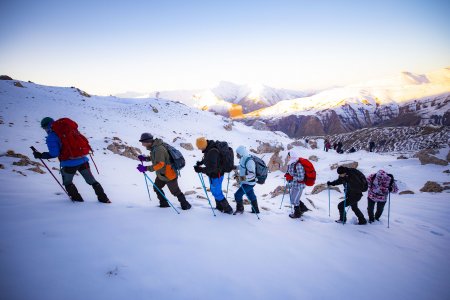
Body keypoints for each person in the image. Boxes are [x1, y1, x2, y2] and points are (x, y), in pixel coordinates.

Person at [33, 117, 110, 203]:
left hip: (69, 164)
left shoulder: (51, 137)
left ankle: (78, 201)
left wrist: (41, 155)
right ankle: (104, 199)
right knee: (92, 181)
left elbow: (54, 154)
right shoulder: (70, 130)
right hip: (83, 159)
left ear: (46, 127)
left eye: (44, 128)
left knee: (68, 182)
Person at [137, 133, 191, 210]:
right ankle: (164, 204)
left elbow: (160, 164)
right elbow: (155, 158)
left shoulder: (159, 149)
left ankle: (185, 205)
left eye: (143, 142)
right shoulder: (154, 148)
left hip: (169, 175)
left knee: (175, 192)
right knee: (157, 187)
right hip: (161, 174)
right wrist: (145, 159)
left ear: (148, 141)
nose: (142, 144)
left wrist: (145, 168)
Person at [193, 137, 233, 214]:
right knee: (214, 190)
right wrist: (201, 163)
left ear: (203, 145)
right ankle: (219, 207)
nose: (199, 149)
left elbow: (212, 168)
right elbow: (209, 159)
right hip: (214, 175)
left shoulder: (212, 151)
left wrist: (200, 170)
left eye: (200, 148)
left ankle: (228, 209)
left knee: (217, 193)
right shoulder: (209, 147)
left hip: (216, 175)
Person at [233, 145, 259, 215]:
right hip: (245, 182)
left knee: (237, 195)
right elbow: (242, 167)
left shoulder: (249, 161)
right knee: (251, 195)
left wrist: (240, 178)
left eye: (237, 154)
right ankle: (256, 210)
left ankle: (240, 209)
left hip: (249, 183)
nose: (236, 155)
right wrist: (235, 167)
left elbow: (252, 175)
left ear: (241, 153)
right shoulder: (243, 159)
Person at [284, 151, 310, 219]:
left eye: (289, 156)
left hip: (299, 186)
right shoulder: (291, 163)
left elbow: (301, 177)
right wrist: (287, 175)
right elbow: (291, 173)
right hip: (294, 184)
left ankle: (297, 214)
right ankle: (303, 208)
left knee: (295, 201)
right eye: (288, 156)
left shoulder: (298, 165)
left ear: (292, 156)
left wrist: (293, 178)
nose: (288, 157)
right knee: (292, 199)